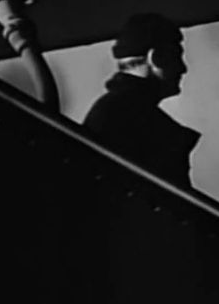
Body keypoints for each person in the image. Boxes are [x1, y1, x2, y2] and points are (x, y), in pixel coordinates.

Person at [83, 13, 200, 188]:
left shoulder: (112, 110)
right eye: (176, 56)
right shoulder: (132, 117)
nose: (183, 68)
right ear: (155, 58)